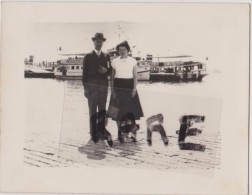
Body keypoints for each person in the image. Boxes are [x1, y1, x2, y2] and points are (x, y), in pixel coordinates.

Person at [107, 41, 144, 143]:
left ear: (128, 50)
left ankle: (133, 135)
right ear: (118, 51)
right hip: (118, 88)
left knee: (131, 113)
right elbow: (112, 78)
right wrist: (113, 91)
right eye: (120, 50)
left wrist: (134, 89)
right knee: (118, 113)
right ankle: (121, 134)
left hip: (129, 87)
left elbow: (135, 76)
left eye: (124, 49)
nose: (122, 51)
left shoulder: (133, 61)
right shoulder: (114, 61)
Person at [82, 32, 113, 147]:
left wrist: (107, 71)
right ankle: (93, 133)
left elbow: (110, 70)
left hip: (104, 86)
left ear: (103, 42)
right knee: (92, 110)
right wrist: (85, 88)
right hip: (92, 86)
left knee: (102, 110)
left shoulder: (107, 56)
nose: (99, 43)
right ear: (94, 42)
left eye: (101, 41)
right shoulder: (88, 56)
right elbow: (84, 74)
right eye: (97, 41)